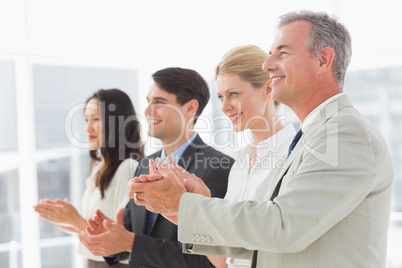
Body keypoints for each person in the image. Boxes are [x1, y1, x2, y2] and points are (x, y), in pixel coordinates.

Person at [129, 10, 394, 268]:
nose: (267, 65)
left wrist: (188, 205)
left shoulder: (346, 134)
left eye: (283, 53)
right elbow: (261, 245)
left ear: (323, 60)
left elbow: (284, 226)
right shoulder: (312, 136)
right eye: (269, 56)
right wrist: (184, 210)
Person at [78, 67, 235, 267]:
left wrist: (130, 243)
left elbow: (210, 259)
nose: (147, 111)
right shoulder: (144, 165)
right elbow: (130, 232)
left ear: (190, 108)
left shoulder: (218, 168)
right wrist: (111, 237)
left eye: (159, 102)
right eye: (148, 101)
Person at [207, 45, 295, 268]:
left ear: (268, 88)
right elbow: (229, 257)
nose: (225, 106)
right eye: (220, 97)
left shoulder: (294, 155)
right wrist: (180, 211)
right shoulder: (240, 163)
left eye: (233, 94)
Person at [34, 89, 144, 268]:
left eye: (96, 119)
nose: (87, 128)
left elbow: (125, 239)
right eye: (86, 119)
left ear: (118, 123)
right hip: (92, 262)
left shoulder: (129, 168)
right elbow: (87, 228)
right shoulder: (99, 167)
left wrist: (75, 219)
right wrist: (63, 218)